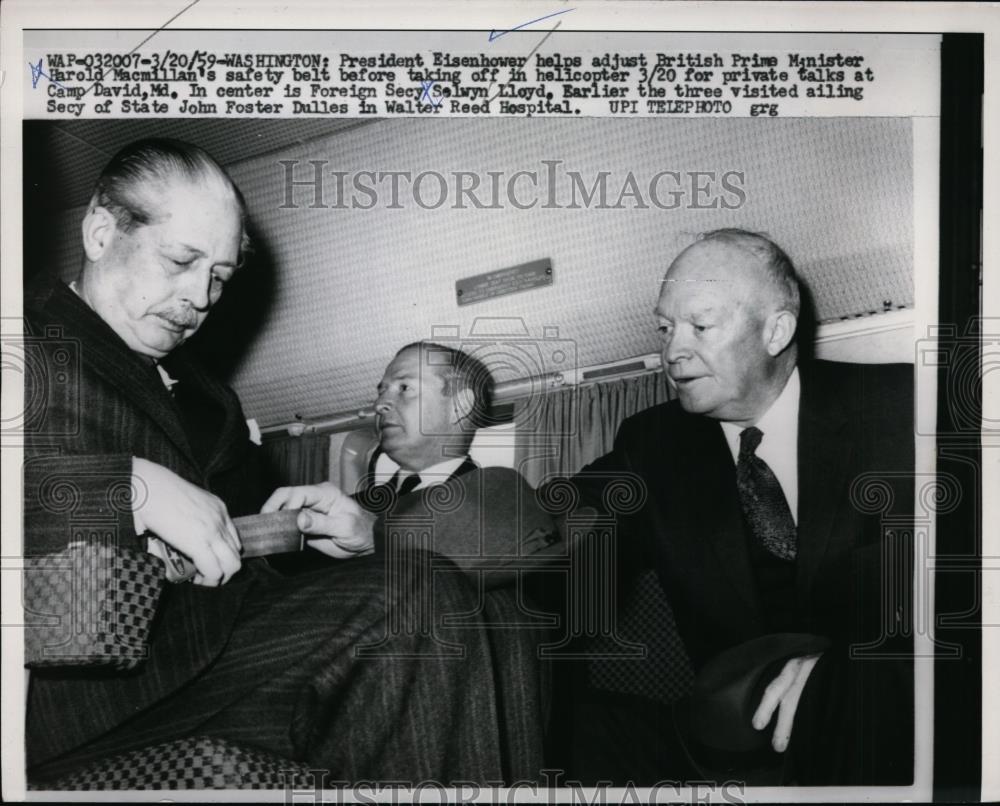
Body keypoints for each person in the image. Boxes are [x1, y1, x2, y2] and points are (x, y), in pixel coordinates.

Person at [22, 138, 517, 786]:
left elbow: (251, 538)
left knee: (425, 592)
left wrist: (314, 535)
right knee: (417, 599)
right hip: (94, 696)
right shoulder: (24, 342)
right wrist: (126, 485)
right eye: (181, 260)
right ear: (99, 231)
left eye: (220, 277)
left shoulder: (208, 397)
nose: (200, 296)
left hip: (226, 654)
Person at [558, 229, 914, 786]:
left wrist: (851, 668)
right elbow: (558, 520)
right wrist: (392, 524)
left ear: (776, 330)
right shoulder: (652, 445)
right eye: (665, 328)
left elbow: (975, 582)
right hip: (733, 729)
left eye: (699, 326)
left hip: (882, 708)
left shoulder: (900, 410)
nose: (672, 351)